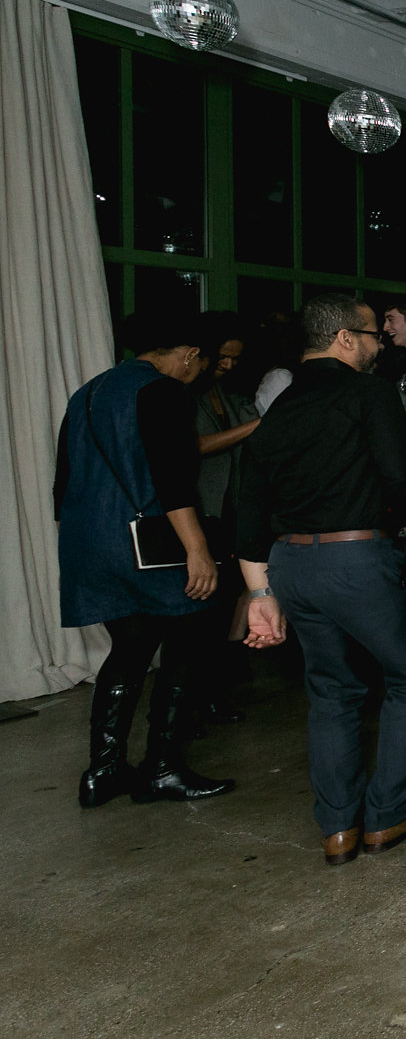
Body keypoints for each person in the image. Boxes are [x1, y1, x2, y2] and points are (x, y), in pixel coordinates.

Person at [236, 296, 406, 867]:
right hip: (359, 561)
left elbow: (247, 515)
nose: (380, 344)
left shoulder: (278, 410)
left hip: (290, 568)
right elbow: (402, 478)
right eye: (373, 335)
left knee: (331, 691)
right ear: (346, 339)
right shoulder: (369, 394)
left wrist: (261, 595)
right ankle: (387, 816)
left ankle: (337, 829)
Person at [55, 310, 234, 808]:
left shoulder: (86, 393)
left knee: (130, 650)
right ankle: (163, 768)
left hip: (88, 544)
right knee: (189, 639)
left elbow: (61, 484)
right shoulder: (163, 392)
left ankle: (103, 771)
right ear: (189, 355)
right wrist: (198, 551)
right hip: (149, 545)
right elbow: (173, 478)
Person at [192, 311, 262, 720]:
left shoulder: (231, 396)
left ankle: (210, 695)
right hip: (201, 511)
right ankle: (194, 702)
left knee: (223, 609)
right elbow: (196, 446)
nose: (229, 365)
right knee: (202, 613)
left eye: (237, 358)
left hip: (232, 510)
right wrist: (257, 425)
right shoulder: (185, 396)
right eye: (223, 356)